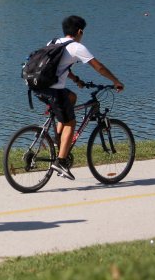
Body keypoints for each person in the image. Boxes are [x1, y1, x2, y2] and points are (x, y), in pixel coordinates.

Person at [46, 15, 124, 180]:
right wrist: (115, 81)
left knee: (72, 97)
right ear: (80, 31)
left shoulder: (53, 42)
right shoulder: (76, 47)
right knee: (71, 122)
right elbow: (99, 67)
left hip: (40, 88)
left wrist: (76, 80)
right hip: (55, 91)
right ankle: (60, 161)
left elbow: (59, 67)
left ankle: (57, 139)